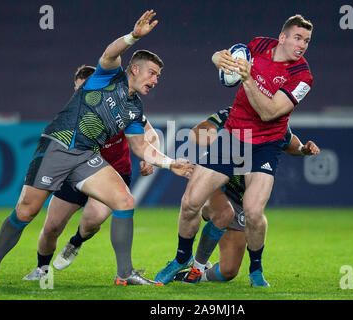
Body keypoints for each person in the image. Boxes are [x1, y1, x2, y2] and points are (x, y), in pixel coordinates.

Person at [0, 10, 193, 286]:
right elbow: (109, 53)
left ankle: (125, 273)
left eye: (158, 77)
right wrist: (132, 37)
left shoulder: (135, 109)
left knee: (125, 201)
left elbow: (141, 147)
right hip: (59, 145)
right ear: (135, 69)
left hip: (85, 156)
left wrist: (169, 162)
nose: (155, 80)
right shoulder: (107, 76)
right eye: (152, 73)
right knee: (26, 211)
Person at [155, 14, 314, 287]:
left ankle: (255, 270)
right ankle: (182, 258)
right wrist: (219, 59)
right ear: (283, 37)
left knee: (253, 211)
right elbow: (222, 56)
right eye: (298, 38)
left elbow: (269, 113)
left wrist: (247, 78)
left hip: (266, 145)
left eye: (307, 41)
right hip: (233, 137)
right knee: (190, 201)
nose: (302, 45)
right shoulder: (259, 45)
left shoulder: (302, 77)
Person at [22, 65, 158, 283]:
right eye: (78, 90)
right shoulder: (72, 113)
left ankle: (76, 242)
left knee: (92, 220)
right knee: (53, 226)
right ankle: (42, 269)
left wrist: (149, 157)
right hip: (75, 169)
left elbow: (149, 132)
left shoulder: (119, 106)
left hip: (113, 172)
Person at [174, 106, 320, 284]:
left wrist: (303, 148)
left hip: (241, 200)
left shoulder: (275, 123)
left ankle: (201, 274)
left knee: (228, 272)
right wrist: (222, 141)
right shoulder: (233, 114)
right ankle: (195, 266)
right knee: (224, 213)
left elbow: (290, 142)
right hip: (218, 187)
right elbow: (199, 131)